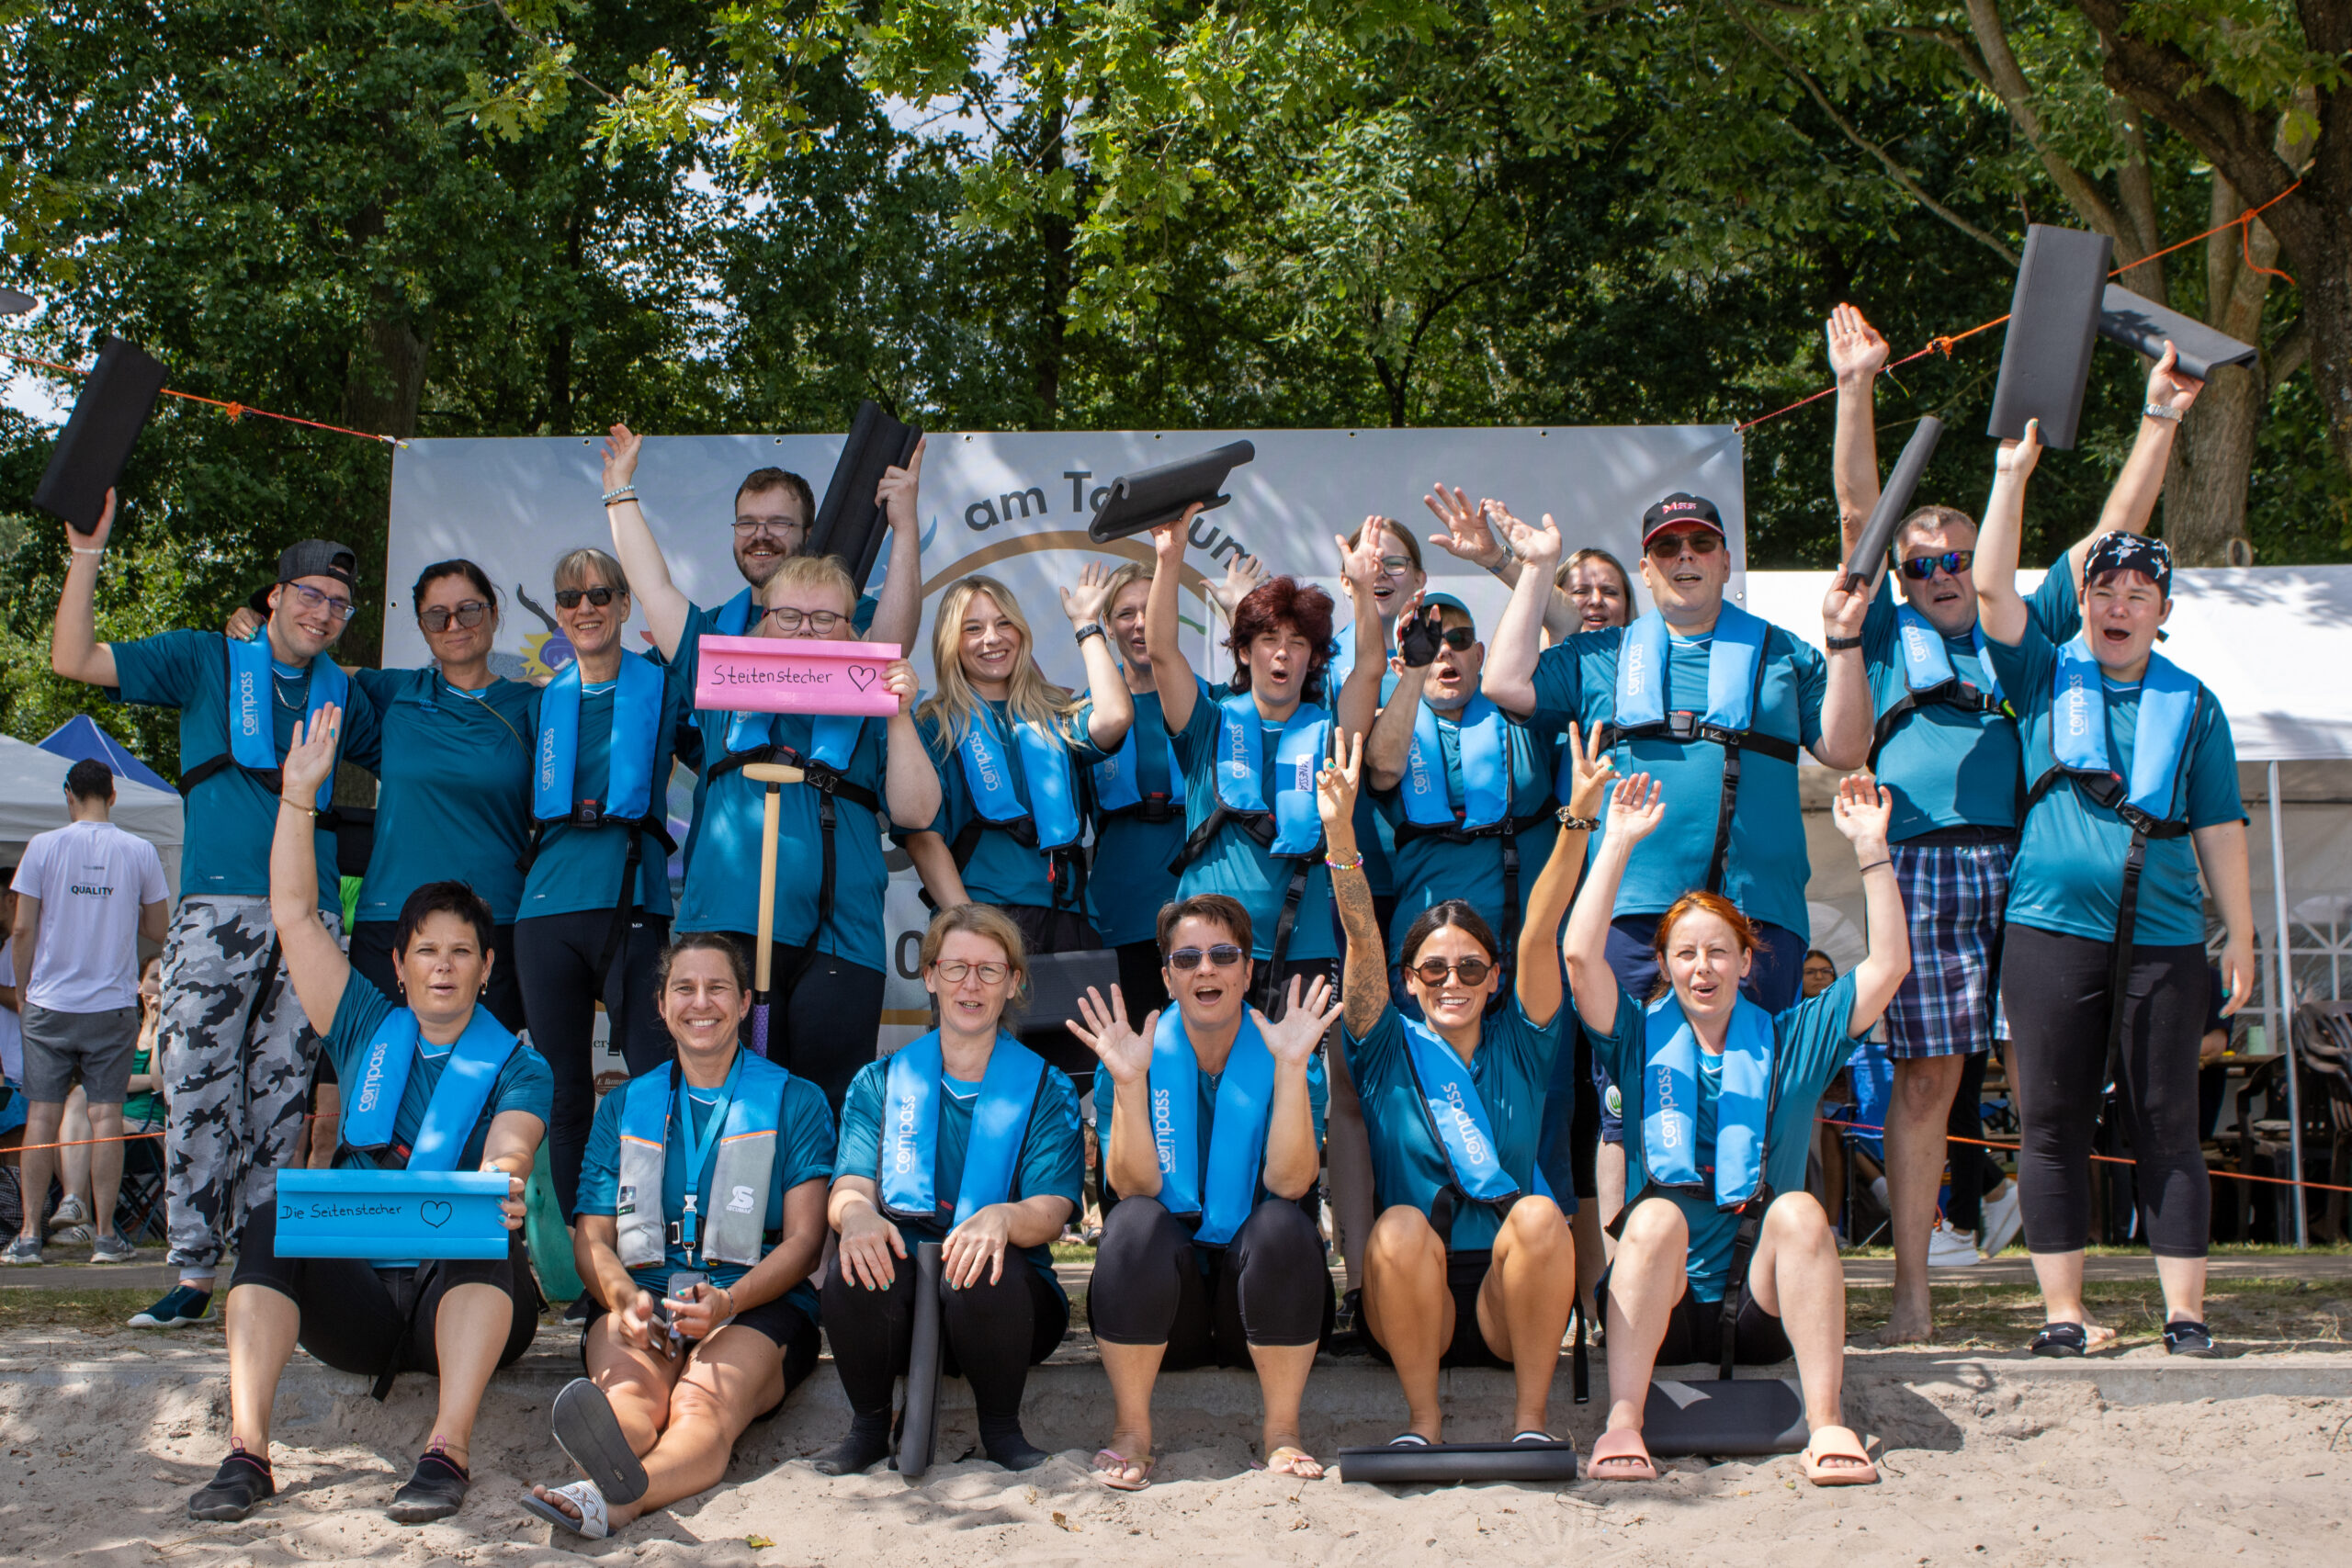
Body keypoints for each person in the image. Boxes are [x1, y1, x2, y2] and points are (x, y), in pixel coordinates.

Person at [1826, 303, 2206, 1342]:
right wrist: (1855, 388)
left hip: (2038, 866)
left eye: (1955, 558)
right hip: (1926, 860)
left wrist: (2157, 424)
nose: (1944, 574)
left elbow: (2104, 544)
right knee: (1927, 1077)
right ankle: (1911, 1289)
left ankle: (2065, 1300)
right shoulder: (1892, 619)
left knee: (2053, 1085)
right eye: (1924, 564)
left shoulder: (2022, 623)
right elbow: (1864, 504)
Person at [1482, 493, 1871, 1282]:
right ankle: (1627, 1287)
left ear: (1727, 561)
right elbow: (1505, 681)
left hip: (1760, 911)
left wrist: (1845, 642)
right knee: (1623, 1103)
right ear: (1647, 567)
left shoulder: (1782, 652)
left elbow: (1845, 743)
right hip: (1635, 913)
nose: (1685, 558)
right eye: (1667, 548)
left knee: (1769, 1092)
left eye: (1701, 543)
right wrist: (1532, 570)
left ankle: (1762, 1285)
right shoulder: (1602, 654)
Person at [187, 704, 548, 1525]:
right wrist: (297, 796)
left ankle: (445, 1450)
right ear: (401, 962)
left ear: (488, 967)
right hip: (356, 1297)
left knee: (482, 1223)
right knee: (272, 1218)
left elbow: (512, 1146)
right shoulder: (360, 1022)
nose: (444, 967)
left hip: (458, 1300)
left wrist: (503, 1178)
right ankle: (247, 1453)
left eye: (462, 951)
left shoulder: (519, 1062)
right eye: (428, 950)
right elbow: (291, 911)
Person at [50, 499, 384, 1331]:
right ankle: (193, 1269)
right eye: (310, 594)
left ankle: (263, 1266)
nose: (325, 613)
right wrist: (88, 552)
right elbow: (72, 656)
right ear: (273, 595)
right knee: (197, 1086)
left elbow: (422, 751)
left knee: (282, 1099)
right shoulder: (206, 658)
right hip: (218, 906)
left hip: (308, 916)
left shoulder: (349, 693)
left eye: (340, 605)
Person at [1973, 420, 2254, 1359]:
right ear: (2082, 603)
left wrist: (2241, 940)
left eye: (2139, 594)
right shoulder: (2041, 670)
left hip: (2168, 939)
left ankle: (2186, 1315)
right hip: (2049, 932)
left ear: (2162, 609)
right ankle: (2061, 1314)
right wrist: (2010, 477)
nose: (2119, 606)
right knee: (2049, 1121)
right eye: (2104, 590)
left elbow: (2220, 825)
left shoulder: (2194, 703)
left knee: (2167, 1121)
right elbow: (1987, 589)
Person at [1570, 771, 1907, 1486]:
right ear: (1663, 964)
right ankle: (1623, 1420)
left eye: (1719, 951)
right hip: (1659, 1310)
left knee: (1800, 1210)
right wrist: (1617, 843)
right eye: (1685, 953)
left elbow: (1888, 966)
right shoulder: (1633, 1036)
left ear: (1747, 963)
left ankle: (1826, 1422)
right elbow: (1577, 955)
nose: (1702, 967)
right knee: (1655, 1216)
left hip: (1757, 1305)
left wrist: (1872, 851)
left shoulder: (1794, 1038)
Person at [1326, 726, 1604, 1446]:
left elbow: (1540, 931)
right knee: (1396, 1226)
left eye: (1472, 968)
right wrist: (1339, 834)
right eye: (1435, 970)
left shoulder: (1522, 1038)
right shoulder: (1387, 1047)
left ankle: (1532, 1424)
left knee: (1544, 1214)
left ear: (1495, 979)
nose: (1454, 981)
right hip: (1410, 1290)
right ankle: (1424, 1423)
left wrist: (1574, 819)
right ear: (1410, 981)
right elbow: (1361, 937)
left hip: (1512, 1294)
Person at [1143, 513, 1386, 1331]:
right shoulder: (1208, 722)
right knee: (1194, 1101)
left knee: (1321, 1104)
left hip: (1306, 954)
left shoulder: (1331, 733)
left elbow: (1370, 674)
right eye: (1268, 638)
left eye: (1300, 642)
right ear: (1244, 649)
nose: (1283, 653)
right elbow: (1164, 652)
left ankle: (1340, 1282)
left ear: (1314, 657)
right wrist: (1169, 559)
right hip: (1208, 962)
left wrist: (1362, 593)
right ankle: (1193, 1273)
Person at [523, 933, 834, 1540]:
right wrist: (622, 1299)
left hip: (756, 1305)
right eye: (684, 989)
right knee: (630, 1402)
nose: (701, 1003)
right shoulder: (623, 1106)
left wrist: (730, 1300)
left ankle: (619, 1500)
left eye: (717, 987)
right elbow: (593, 1237)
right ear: (662, 1006)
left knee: (701, 1404)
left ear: (744, 1003)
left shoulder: (796, 1099)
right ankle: (604, 1471)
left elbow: (804, 1241)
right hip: (645, 1298)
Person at [1072, 894, 1342, 1487]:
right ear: (1167, 976)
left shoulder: (1287, 1052)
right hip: (1169, 1309)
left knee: (1284, 1224)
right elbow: (1135, 1186)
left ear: (1248, 970)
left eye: (1224, 954)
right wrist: (1127, 1081)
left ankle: (1282, 1432)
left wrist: (1294, 1069)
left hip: (1263, 1299)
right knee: (1134, 1223)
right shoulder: (1133, 1055)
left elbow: (1293, 1183)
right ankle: (1132, 1432)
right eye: (1187, 957)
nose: (1206, 969)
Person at [813, 904, 1085, 1476]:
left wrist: (1004, 1220)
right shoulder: (879, 1082)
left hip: (1006, 1302)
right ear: (930, 975)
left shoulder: (1046, 1087)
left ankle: (1002, 1431)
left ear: (1013, 983)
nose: (971, 984)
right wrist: (856, 1214)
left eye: (990, 970)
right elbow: (849, 1186)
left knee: (982, 1267)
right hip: (904, 1296)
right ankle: (867, 1427)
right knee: (854, 1262)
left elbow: (1053, 1207)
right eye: (956, 967)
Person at [672, 552, 936, 1112]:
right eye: (789, 615)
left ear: (850, 630)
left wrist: (900, 712)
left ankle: (820, 1205)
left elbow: (916, 813)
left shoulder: (873, 705)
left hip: (842, 940)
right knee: (726, 1106)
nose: (807, 630)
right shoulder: (724, 688)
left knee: (826, 1106)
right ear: (764, 620)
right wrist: (620, 493)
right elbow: (654, 590)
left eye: (826, 619)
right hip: (732, 933)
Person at [901, 570, 1136, 1088]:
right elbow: (923, 836)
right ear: (950, 643)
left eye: (1004, 623)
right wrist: (969, 929)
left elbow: (1116, 716)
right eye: (973, 628)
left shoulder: (1054, 714)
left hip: (1069, 924)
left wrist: (1086, 625)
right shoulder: (934, 724)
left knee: (1070, 1086)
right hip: (986, 923)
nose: (992, 639)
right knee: (981, 1084)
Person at [513, 548, 692, 1218]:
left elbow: (728, 745)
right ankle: (584, 1254)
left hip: (633, 906)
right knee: (564, 1090)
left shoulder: (666, 687)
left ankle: (653, 1237)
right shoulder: (539, 704)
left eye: (599, 594)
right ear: (559, 614)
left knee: (653, 1085)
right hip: (546, 914)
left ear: (624, 605)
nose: (584, 607)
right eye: (570, 598)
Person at [1083, 555, 1264, 1021]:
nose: (1141, 624)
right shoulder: (1087, 714)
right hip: (1120, 903)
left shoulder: (1214, 702)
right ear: (1107, 624)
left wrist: (1239, 612)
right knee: (1137, 1044)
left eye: (1152, 610)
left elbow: (1266, 701)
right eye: (1126, 613)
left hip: (1200, 901)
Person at [5, 760, 169, 1266]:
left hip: (50, 1001)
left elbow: (23, 929)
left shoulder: (43, 846)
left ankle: (30, 1236)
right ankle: (104, 1237)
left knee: (41, 1115)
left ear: (67, 795)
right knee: (105, 1117)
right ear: (113, 795)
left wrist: (23, 987)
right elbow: (159, 927)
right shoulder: (139, 850)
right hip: (113, 1004)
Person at [598, 422, 927, 657]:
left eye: (779, 523)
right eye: (747, 523)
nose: (761, 536)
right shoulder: (713, 641)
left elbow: (890, 651)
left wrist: (905, 524)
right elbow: (653, 588)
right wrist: (617, 488)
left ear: (808, 533)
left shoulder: (852, 614)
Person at [1421, 484, 1633, 638]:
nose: (1596, 600)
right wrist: (1494, 557)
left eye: (1610, 592)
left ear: (1627, 606)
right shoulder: (1543, 670)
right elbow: (1564, 613)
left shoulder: (1652, 661)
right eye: (1580, 591)